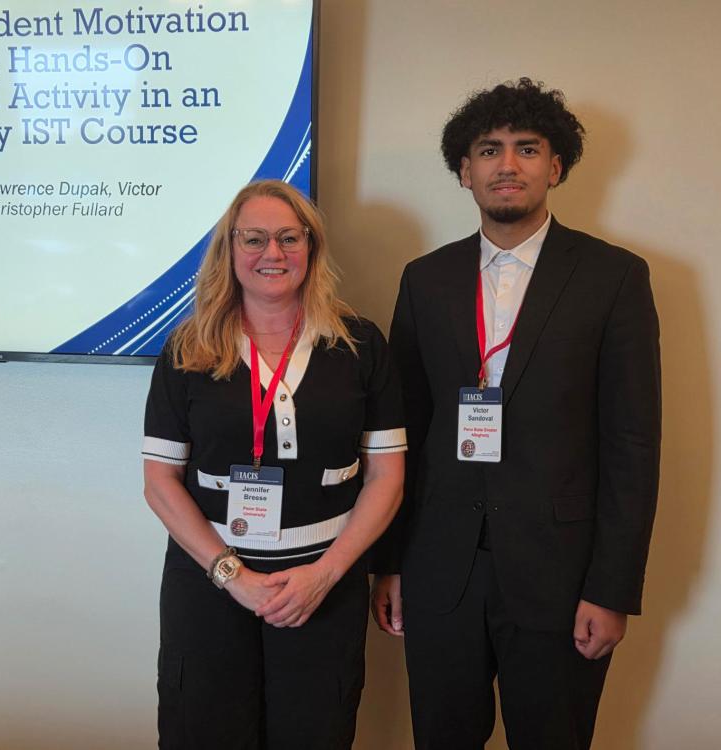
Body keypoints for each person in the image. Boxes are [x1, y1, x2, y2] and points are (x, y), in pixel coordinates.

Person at [370, 78, 661, 750]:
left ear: (555, 167)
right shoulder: (425, 278)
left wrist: (612, 588)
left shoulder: (614, 278)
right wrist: (389, 565)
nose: (508, 164)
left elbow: (632, 444)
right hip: (439, 572)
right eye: (489, 150)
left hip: (562, 580)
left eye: (527, 149)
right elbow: (399, 433)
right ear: (464, 170)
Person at [143, 179, 406, 749]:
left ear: (311, 248)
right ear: (229, 250)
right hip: (209, 584)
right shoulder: (187, 348)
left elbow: (387, 477)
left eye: (290, 238)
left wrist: (325, 576)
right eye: (255, 238)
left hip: (322, 582)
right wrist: (234, 577)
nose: (273, 253)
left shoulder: (360, 345)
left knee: (315, 733)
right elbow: (160, 482)